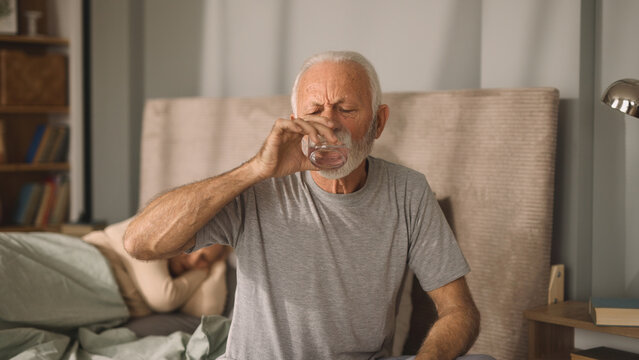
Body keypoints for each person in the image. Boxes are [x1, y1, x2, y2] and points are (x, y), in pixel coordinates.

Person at [124, 51, 493, 360]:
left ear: (378, 122)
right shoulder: (258, 187)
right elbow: (139, 243)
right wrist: (254, 169)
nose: (330, 122)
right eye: (315, 110)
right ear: (296, 121)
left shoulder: (407, 191)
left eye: (346, 108)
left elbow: (460, 312)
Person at [83, 218, 229, 336]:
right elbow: (164, 298)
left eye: (204, 259)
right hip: (84, 265)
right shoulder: (151, 233)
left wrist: (218, 266)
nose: (193, 260)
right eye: (193, 247)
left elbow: (205, 311)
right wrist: (202, 272)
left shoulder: (176, 277)